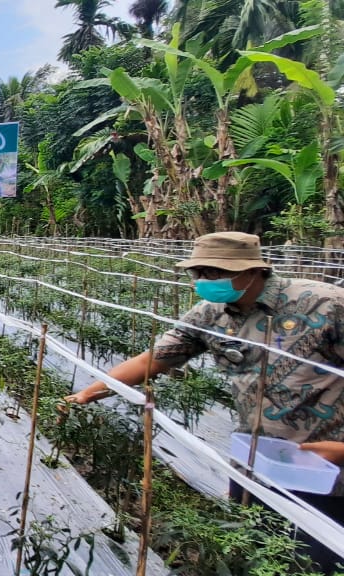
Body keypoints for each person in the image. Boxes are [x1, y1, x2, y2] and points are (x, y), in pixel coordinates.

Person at [65, 231, 344, 571]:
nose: (204, 280)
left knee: (318, 561)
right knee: (256, 550)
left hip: (328, 466)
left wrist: (340, 450)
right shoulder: (211, 314)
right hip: (256, 458)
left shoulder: (326, 304)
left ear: (253, 270)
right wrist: (91, 392)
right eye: (197, 272)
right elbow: (154, 359)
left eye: (214, 272)